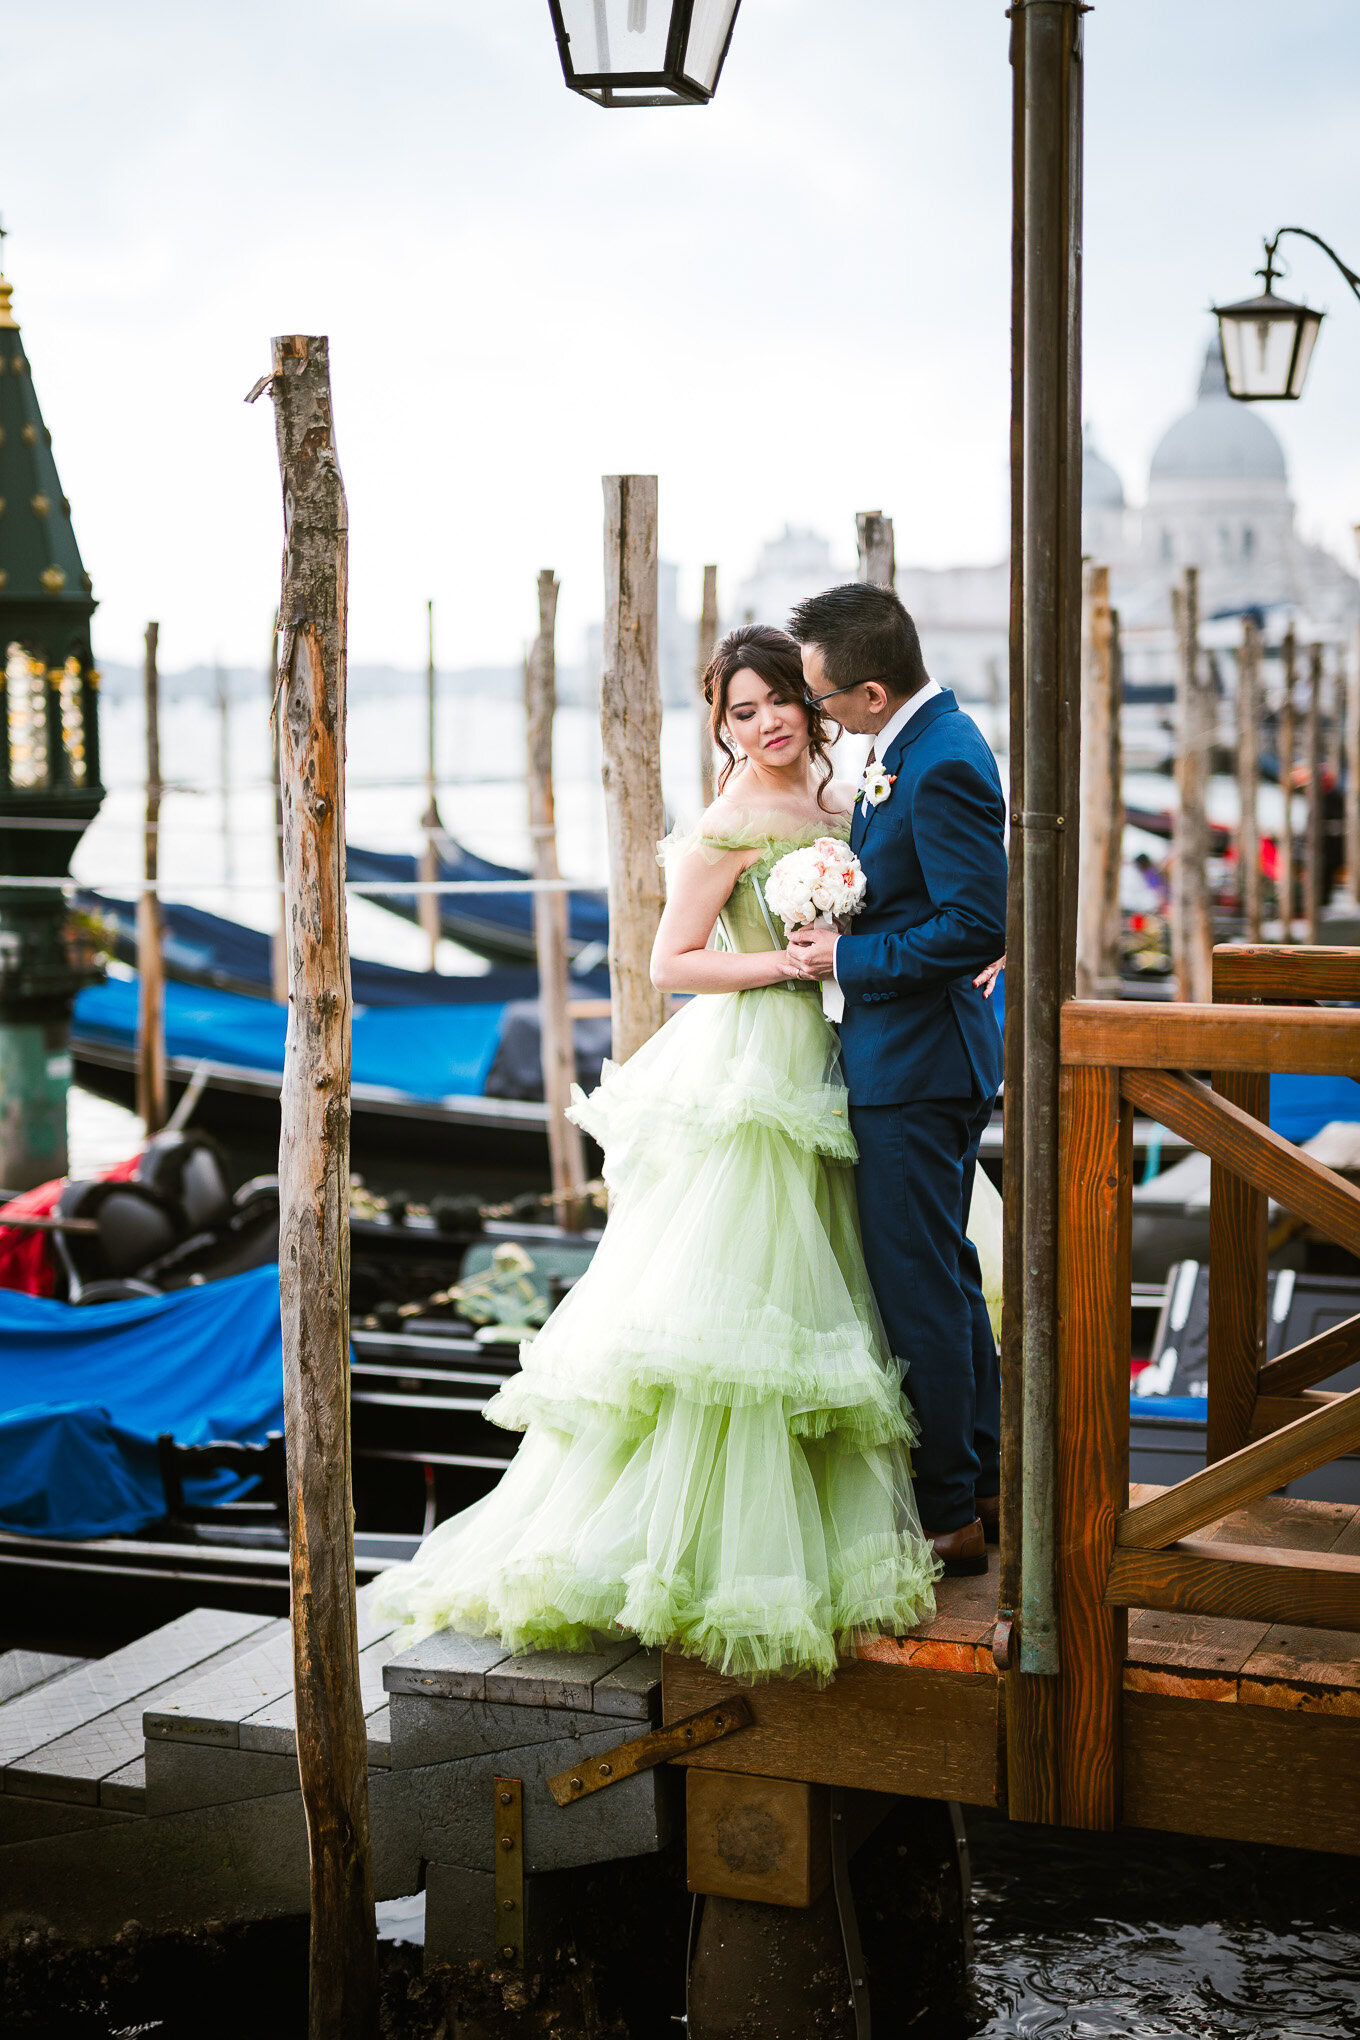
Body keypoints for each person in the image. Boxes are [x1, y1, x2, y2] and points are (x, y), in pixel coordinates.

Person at [375, 624, 956, 1682]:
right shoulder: (728, 820)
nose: (768, 721)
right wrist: (781, 961)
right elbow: (671, 961)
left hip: (845, 1052)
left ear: (813, 702)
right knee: (746, 1306)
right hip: (756, 1064)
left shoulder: (843, 803)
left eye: (781, 699)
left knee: (847, 1283)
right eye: (742, 710)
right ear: (721, 724)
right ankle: (712, 1550)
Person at [785, 584, 1007, 1575]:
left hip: (915, 1067)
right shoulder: (914, 744)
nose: (815, 713)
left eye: (822, 700)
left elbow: (974, 924)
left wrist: (846, 959)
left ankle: (950, 1511)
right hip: (916, 1060)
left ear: (870, 693)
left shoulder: (944, 761)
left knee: (915, 1286)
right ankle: (984, 1478)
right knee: (947, 1279)